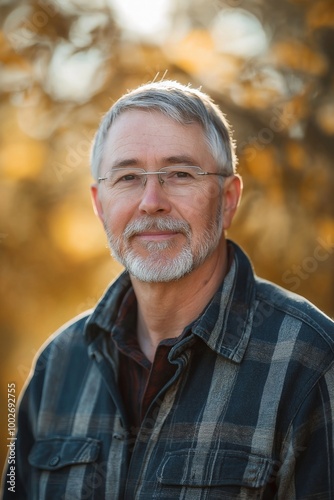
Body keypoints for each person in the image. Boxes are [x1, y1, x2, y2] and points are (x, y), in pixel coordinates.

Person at [2, 80, 334, 499]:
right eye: (128, 176)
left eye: (180, 174)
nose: (151, 201)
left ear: (228, 199)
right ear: (99, 204)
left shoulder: (313, 361)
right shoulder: (58, 365)